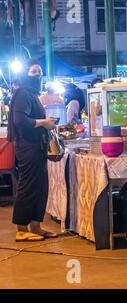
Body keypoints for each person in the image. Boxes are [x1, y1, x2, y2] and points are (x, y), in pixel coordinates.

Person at [7, 59, 58, 241]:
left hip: (37, 146)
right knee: (28, 186)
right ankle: (22, 228)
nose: (38, 75)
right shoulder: (22, 94)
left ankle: (35, 226)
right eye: (34, 72)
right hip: (27, 147)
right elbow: (20, 121)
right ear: (25, 75)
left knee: (41, 186)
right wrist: (44, 122)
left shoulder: (32, 94)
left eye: (39, 72)